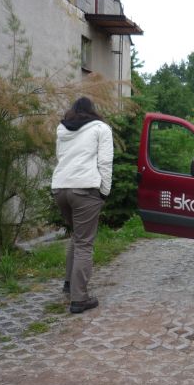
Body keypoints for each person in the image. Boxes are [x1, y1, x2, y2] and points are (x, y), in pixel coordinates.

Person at [51, 97, 113, 313]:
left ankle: (69, 285)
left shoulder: (62, 129)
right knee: (85, 243)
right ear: (92, 111)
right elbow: (105, 162)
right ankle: (79, 299)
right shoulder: (101, 129)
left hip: (60, 189)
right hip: (85, 189)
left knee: (77, 237)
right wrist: (104, 192)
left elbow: (60, 158)